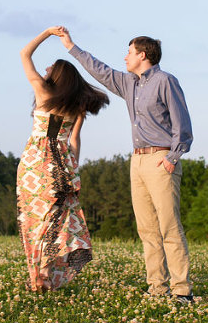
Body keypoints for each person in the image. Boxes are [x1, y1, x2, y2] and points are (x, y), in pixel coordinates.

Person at [57, 27, 195, 303]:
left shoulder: (166, 81)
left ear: (142, 55)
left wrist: (172, 158)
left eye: (129, 52)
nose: (125, 57)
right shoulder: (127, 83)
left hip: (160, 159)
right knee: (146, 228)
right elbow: (99, 69)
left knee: (169, 226)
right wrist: (70, 45)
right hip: (137, 160)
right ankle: (157, 287)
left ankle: (182, 289)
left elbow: (183, 124)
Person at [17, 26, 109, 293]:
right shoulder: (78, 106)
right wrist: (74, 168)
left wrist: (47, 33)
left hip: (35, 162)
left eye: (49, 69)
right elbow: (74, 141)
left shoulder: (42, 92)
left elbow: (24, 53)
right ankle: (44, 272)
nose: (45, 71)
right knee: (56, 219)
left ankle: (39, 274)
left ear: (57, 76)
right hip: (62, 164)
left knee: (34, 218)